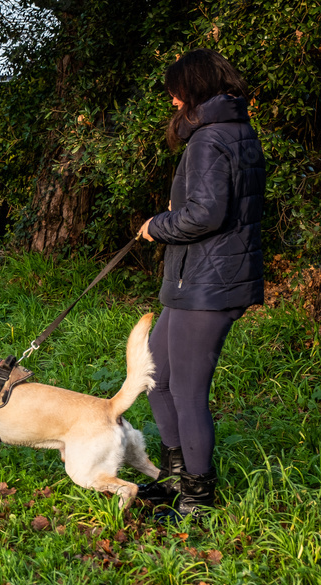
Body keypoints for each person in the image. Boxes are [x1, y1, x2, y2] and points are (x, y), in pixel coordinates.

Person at [136, 49, 265, 520]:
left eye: (175, 92)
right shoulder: (235, 131)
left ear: (192, 89)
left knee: (187, 392)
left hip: (209, 284)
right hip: (198, 279)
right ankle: (175, 476)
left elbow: (207, 214)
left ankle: (196, 499)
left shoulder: (211, 139)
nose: (172, 102)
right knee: (156, 378)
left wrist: (158, 225)